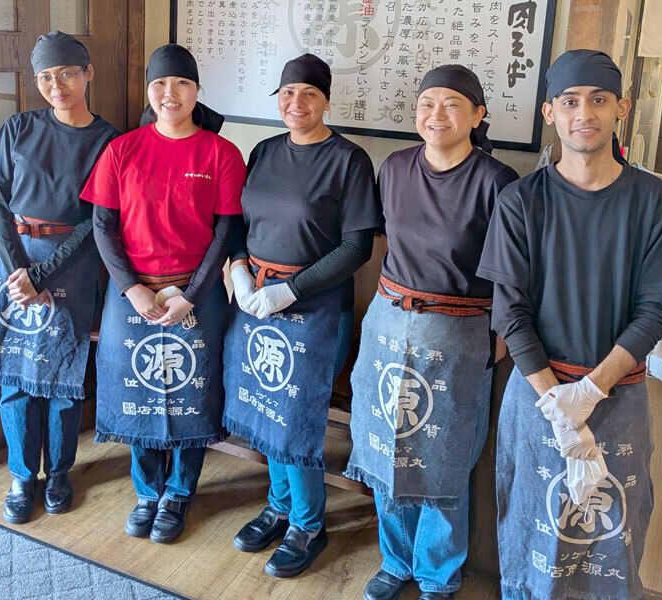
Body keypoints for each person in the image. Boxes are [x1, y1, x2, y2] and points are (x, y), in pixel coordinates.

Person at [477, 49, 662, 599]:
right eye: (570, 101)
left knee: (611, 535)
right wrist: (558, 403)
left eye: (598, 99)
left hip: (619, 397)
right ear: (549, 112)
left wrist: (591, 391)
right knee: (534, 523)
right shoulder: (521, 201)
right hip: (538, 394)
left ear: (622, 107)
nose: (584, 113)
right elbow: (509, 310)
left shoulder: (653, 200)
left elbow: (657, 308)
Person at [344, 65, 518, 600]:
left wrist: (501, 333)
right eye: (427, 103)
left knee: (444, 457)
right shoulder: (395, 167)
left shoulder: (497, 181)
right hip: (389, 322)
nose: (436, 114)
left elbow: (513, 269)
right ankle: (395, 560)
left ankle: (438, 574)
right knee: (386, 449)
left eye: (451, 104)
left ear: (478, 115)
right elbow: (384, 246)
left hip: (459, 331)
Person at [223, 53, 382, 578]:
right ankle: (280, 505)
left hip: (315, 307)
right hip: (255, 298)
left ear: (326, 101)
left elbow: (357, 246)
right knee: (266, 408)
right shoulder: (265, 151)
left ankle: (309, 524)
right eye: (288, 93)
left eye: (309, 94)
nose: (297, 103)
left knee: (295, 414)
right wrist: (240, 269)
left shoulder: (349, 160)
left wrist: (290, 291)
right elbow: (240, 222)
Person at [80, 44, 245, 544]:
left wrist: (191, 295)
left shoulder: (220, 153)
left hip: (196, 294)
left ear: (196, 91)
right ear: (149, 91)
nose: (170, 94)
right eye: (160, 85)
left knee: (194, 392)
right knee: (138, 389)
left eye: (181, 84)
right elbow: (103, 226)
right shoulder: (122, 149)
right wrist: (131, 288)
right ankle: (147, 492)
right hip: (132, 293)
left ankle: (179, 493)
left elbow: (225, 231)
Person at [0, 31, 119, 524]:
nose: (57, 86)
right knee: (14, 374)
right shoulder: (18, 128)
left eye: (67, 74)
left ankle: (59, 473)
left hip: (71, 265)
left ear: (88, 73)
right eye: (46, 77)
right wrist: (19, 272)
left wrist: (42, 274)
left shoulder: (108, 140)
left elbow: (95, 222)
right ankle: (20, 475)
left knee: (62, 378)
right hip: (6, 262)